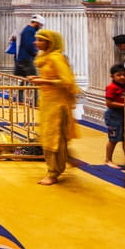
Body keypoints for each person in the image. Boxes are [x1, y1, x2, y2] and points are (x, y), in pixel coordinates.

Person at [27, 29, 79, 185]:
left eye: (40, 40)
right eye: (36, 40)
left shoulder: (57, 58)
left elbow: (66, 81)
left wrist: (43, 81)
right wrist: (40, 79)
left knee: (53, 137)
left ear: (50, 43)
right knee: (47, 135)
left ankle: (53, 172)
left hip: (58, 104)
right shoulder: (44, 57)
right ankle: (61, 162)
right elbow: (50, 77)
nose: (36, 43)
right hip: (47, 101)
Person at [104, 63, 125, 167]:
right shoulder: (112, 87)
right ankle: (108, 159)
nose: (122, 77)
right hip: (114, 116)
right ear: (112, 76)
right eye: (119, 75)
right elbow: (109, 103)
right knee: (113, 139)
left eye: (124, 75)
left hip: (124, 115)